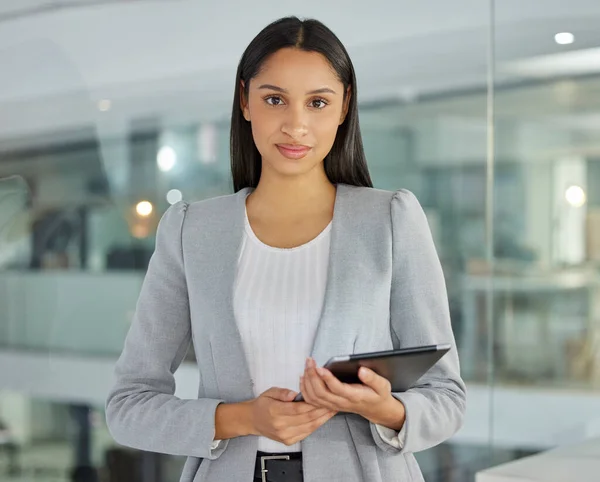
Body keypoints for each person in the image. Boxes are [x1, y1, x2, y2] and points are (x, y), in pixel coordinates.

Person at [106, 16, 466, 482]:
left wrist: (388, 409)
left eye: (317, 102)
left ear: (343, 107)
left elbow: (447, 397)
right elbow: (128, 405)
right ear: (245, 101)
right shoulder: (190, 231)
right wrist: (240, 418)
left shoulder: (391, 219)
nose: (296, 125)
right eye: (275, 99)